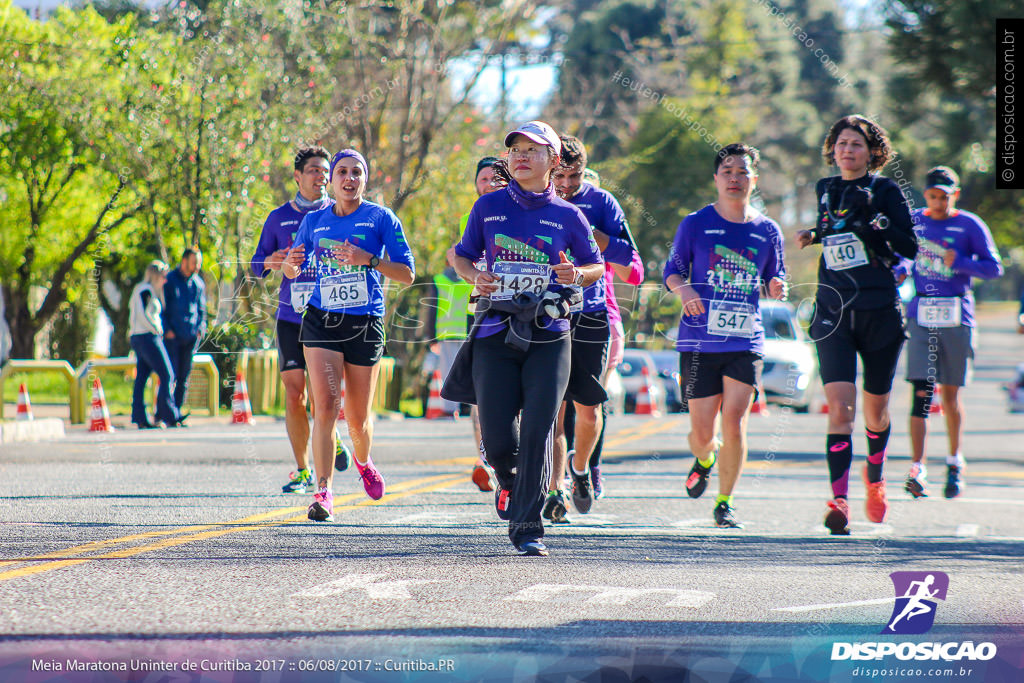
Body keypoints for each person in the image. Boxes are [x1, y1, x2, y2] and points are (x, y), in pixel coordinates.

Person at [446, 121, 604, 556]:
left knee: (539, 427)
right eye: (515, 148)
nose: (520, 155)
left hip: (549, 333)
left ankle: (528, 526)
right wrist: (473, 273)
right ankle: (514, 485)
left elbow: (597, 267)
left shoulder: (569, 215)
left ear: (553, 161)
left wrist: (578, 274)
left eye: (532, 150)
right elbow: (460, 254)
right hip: (496, 329)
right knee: (497, 437)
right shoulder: (488, 207)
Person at [796, 115, 918, 535]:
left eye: (857, 145)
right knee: (840, 411)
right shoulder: (825, 189)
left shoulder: (886, 190)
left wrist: (877, 225)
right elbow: (835, 231)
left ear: (872, 152)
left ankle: (877, 475)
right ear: (833, 149)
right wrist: (813, 235)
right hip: (833, 309)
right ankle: (839, 500)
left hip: (879, 308)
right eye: (842, 143)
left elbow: (910, 246)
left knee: (876, 412)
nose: (848, 150)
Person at [282, 149, 415, 522]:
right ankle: (323, 492)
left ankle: (362, 459)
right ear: (332, 180)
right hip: (322, 320)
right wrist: (292, 267)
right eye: (342, 171)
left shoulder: (380, 218)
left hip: (364, 323)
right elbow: (295, 268)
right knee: (325, 407)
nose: (349, 178)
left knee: (357, 420)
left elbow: (407, 274)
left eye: (357, 172)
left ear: (365, 179)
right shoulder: (314, 221)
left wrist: (367, 259)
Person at [664, 143, 787, 529]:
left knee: (734, 421)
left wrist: (777, 286)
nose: (735, 178)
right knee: (703, 434)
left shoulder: (767, 230)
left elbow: (774, 276)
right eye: (728, 171)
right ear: (716, 179)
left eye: (743, 172)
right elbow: (672, 272)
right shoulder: (696, 223)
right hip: (700, 342)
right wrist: (684, 292)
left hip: (744, 341)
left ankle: (725, 501)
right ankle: (704, 459)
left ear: (755, 180)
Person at [543, 136, 641, 522]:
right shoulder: (538, 198)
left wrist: (602, 241)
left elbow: (632, 261)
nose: (566, 184)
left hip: (592, 313)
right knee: (553, 408)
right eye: (560, 175)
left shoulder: (602, 202)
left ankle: (580, 467)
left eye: (575, 175)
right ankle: (554, 489)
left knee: (588, 409)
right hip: (549, 311)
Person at [251, 146, 353, 495]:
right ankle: (302, 470)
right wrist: (272, 261)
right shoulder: (278, 218)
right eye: (313, 170)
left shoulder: (338, 213)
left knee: (319, 396)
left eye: (326, 170)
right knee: (294, 396)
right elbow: (255, 265)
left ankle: (331, 437)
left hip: (328, 316)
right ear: (297, 176)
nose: (321, 176)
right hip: (291, 316)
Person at [903, 166, 1003, 499]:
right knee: (921, 392)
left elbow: (994, 268)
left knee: (950, 395)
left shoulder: (970, 224)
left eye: (944, 197)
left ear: (954, 195)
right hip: (922, 314)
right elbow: (901, 258)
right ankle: (917, 467)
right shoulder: (915, 221)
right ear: (926, 194)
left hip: (957, 314)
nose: (937, 203)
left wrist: (960, 261)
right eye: (932, 196)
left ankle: (954, 461)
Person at [128, 260, 181, 429]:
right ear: (156, 275)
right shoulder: (145, 290)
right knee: (167, 374)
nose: (165, 280)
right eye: (163, 276)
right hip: (147, 337)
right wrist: (155, 328)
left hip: (139, 336)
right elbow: (143, 314)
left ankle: (140, 417)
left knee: (142, 378)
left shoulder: (142, 289)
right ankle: (168, 415)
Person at [162, 247, 207, 418]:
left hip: (190, 337)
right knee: (169, 376)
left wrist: (200, 329)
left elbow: (202, 310)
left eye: (199, 263)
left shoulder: (198, 284)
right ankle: (164, 413)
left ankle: (176, 413)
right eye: (194, 262)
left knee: (183, 378)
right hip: (172, 337)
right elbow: (162, 307)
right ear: (184, 261)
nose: (197, 266)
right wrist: (167, 330)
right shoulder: (170, 280)